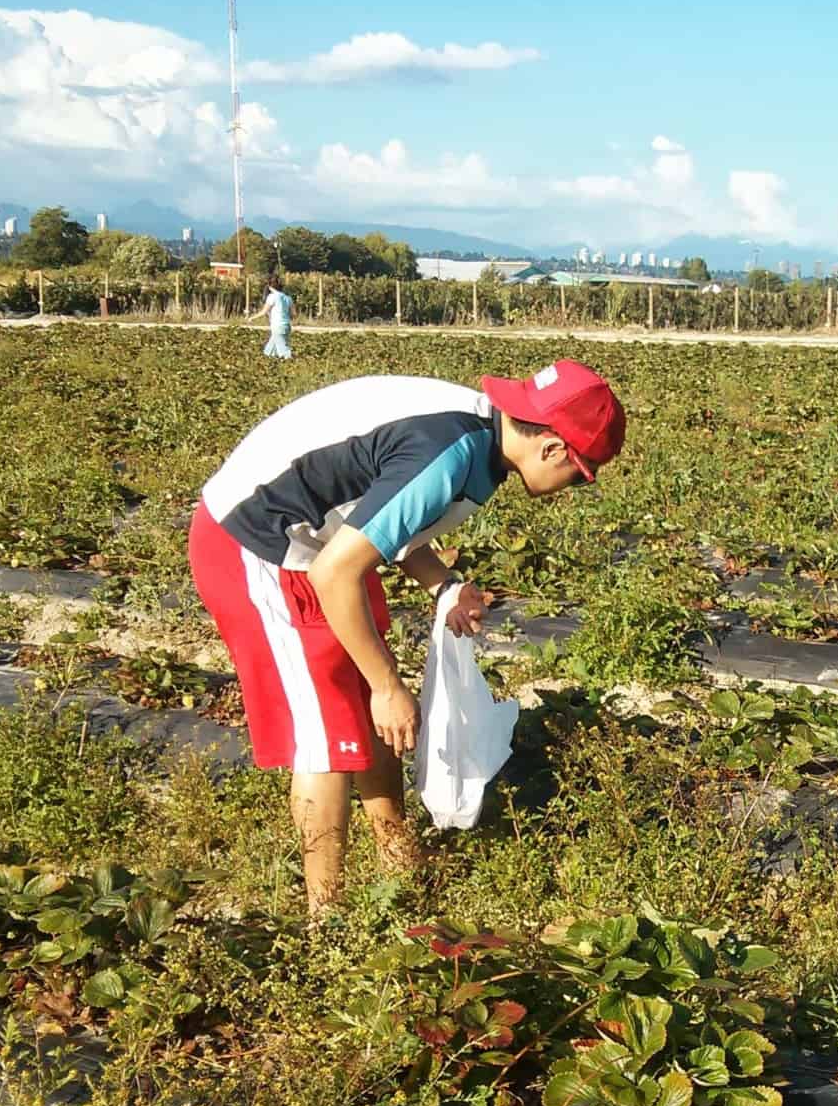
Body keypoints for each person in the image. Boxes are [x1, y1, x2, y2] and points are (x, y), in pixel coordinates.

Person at [187, 361, 626, 915]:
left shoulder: (475, 437)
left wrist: (444, 586)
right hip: (258, 545)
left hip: (320, 548)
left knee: (361, 702)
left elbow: (383, 519)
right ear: (555, 449)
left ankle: (396, 853)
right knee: (328, 735)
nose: (575, 488)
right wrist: (386, 684)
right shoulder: (447, 453)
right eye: (583, 474)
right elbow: (335, 574)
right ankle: (328, 916)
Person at [246, 275, 294, 359]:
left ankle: (290, 362)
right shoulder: (288, 298)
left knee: (283, 350)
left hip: (277, 326)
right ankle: (265, 360)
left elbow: (264, 311)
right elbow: (293, 314)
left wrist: (252, 318)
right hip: (287, 326)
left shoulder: (272, 296)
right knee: (269, 349)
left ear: (269, 286)